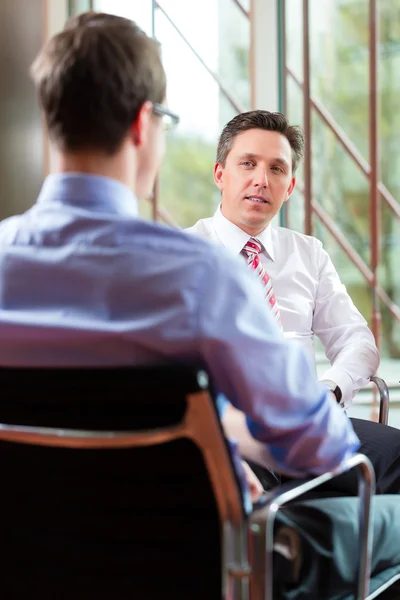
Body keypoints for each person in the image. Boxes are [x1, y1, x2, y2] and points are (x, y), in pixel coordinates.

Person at [0, 12, 398, 598]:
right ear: (143, 124)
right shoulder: (199, 274)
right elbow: (320, 446)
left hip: (31, 550)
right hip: (207, 556)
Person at [186, 110, 400, 495]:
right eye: (248, 164)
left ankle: (347, 549)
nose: (261, 180)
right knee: (250, 470)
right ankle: (285, 547)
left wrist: (331, 390)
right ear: (220, 174)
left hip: (308, 419)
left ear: (290, 185)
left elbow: (358, 342)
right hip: (232, 425)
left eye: (276, 169)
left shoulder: (308, 254)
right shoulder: (184, 254)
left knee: (395, 452)